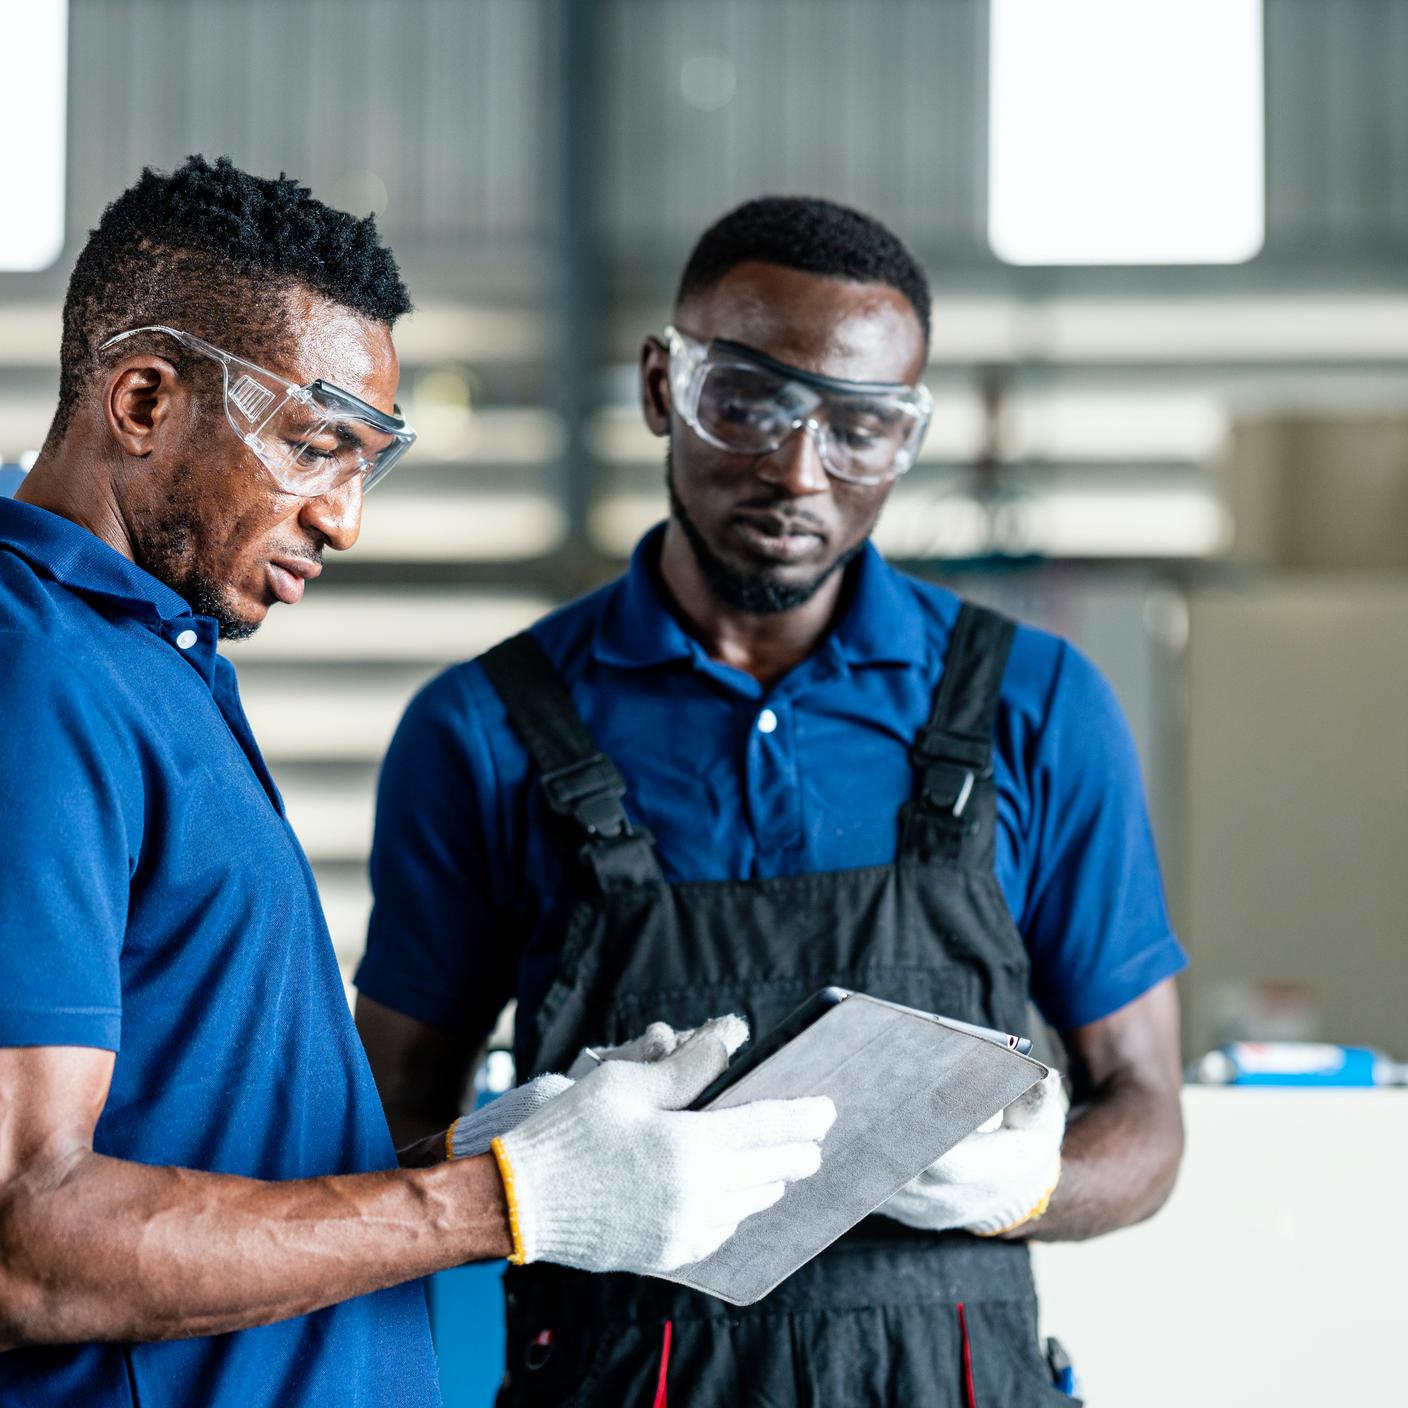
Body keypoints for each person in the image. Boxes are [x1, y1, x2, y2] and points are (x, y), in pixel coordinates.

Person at [0, 160, 834, 1408]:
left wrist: (509, 1148)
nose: (343, 517)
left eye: (366, 463)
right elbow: (26, 1238)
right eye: (315, 444)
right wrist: (504, 1201)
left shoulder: (157, 663)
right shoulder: (36, 675)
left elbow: (203, 1142)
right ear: (142, 398)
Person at [356, 196, 1189, 1405]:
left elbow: (1149, 1119)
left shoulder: (1039, 707)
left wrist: (1030, 1185)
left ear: (908, 436)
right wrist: (524, 1165)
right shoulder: (481, 731)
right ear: (660, 387)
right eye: (746, 403)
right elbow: (381, 1144)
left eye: (863, 427)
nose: (800, 470)